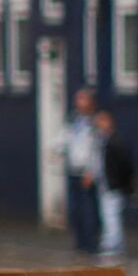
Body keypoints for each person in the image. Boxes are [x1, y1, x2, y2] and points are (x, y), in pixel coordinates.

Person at [55, 87, 102, 254]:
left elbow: (96, 149)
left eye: (82, 99)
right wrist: (56, 149)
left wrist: (91, 171)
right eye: (78, 99)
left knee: (89, 209)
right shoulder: (72, 120)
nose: (79, 103)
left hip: (86, 172)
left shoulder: (95, 122)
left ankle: (91, 243)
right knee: (75, 210)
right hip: (73, 170)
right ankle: (80, 242)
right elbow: (63, 139)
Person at [95, 108, 135, 260]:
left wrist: (126, 184)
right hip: (106, 184)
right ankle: (111, 243)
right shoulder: (103, 141)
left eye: (101, 122)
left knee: (112, 215)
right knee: (107, 215)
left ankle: (114, 246)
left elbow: (125, 165)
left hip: (113, 185)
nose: (99, 125)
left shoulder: (115, 142)